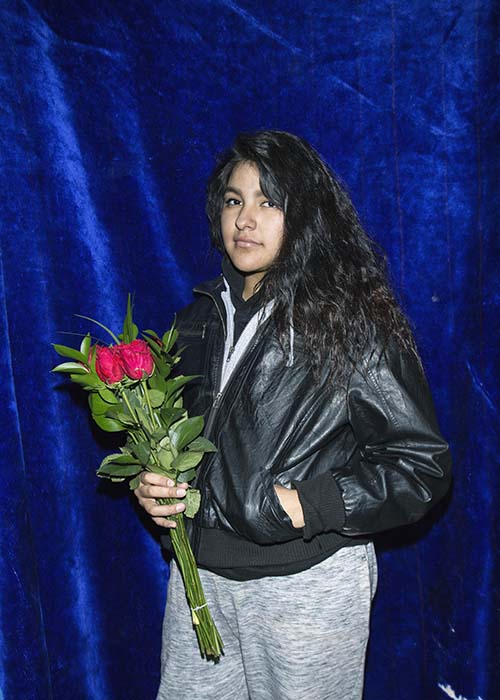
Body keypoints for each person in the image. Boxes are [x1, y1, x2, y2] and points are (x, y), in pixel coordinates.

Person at [134, 130, 452, 700]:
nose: (246, 219)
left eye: (268, 201)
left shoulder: (349, 323)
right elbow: (186, 444)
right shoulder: (195, 323)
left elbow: (421, 464)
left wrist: (310, 504)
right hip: (197, 580)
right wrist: (156, 485)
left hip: (306, 585)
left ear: (303, 215)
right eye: (234, 201)